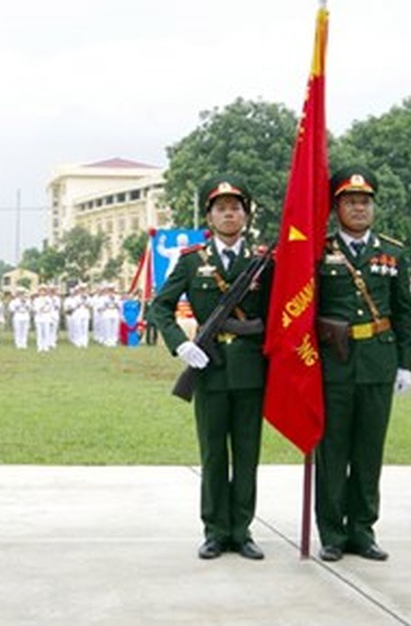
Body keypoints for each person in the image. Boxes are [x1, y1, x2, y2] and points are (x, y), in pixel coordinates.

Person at [149, 176, 271, 561]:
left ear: (246, 215)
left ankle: (242, 529)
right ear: (209, 216)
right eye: (221, 208)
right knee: (214, 453)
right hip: (210, 368)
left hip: (252, 370)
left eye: (236, 207)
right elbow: (160, 307)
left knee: (247, 453)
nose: (229, 213)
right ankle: (216, 531)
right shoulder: (192, 261)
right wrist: (182, 344)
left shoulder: (264, 260)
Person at [314, 168, 411, 562]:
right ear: (337, 207)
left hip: (378, 360)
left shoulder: (393, 252)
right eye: (350, 201)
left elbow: (405, 314)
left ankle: (363, 530)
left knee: (369, 451)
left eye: (365, 201)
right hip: (333, 364)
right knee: (334, 450)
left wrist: (405, 363)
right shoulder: (320, 251)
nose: (359, 207)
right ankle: (332, 533)